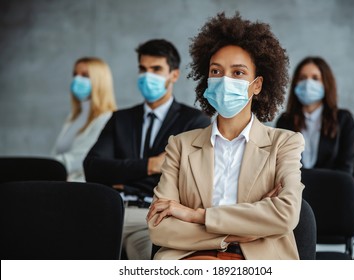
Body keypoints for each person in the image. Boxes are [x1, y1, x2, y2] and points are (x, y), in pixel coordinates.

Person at [147, 13, 305, 260]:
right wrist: (234, 234)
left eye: (238, 73)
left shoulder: (285, 143)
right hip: (189, 258)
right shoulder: (180, 145)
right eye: (216, 71)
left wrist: (197, 215)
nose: (224, 80)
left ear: (257, 85)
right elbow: (159, 226)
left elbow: (286, 214)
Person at [83, 39, 210, 260]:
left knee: (152, 264)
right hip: (110, 212)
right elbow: (93, 167)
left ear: (174, 75)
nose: (147, 76)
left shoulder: (193, 121)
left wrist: (123, 174)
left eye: (156, 69)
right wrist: (151, 166)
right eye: (143, 69)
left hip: (153, 217)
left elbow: (187, 180)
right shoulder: (121, 118)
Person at [276, 57, 354, 173]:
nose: (308, 83)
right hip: (295, 189)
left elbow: (345, 169)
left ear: (326, 84)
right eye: (302, 78)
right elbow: (280, 167)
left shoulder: (343, 120)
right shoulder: (285, 121)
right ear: (295, 84)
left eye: (315, 78)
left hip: (332, 188)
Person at [52, 57, 117, 182]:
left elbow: (83, 158)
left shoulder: (108, 119)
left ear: (100, 81)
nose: (77, 79)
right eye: (75, 74)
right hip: (60, 182)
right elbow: (57, 153)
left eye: (85, 75)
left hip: (80, 188)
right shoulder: (73, 117)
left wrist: (47, 166)